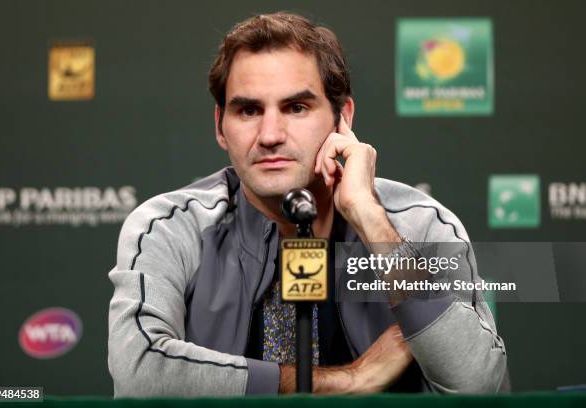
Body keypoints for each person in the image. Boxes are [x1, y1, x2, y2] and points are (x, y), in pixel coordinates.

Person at [108, 12, 508, 397]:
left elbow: (482, 388)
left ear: (342, 118)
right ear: (220, 127)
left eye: (296, 108)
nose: (269, 135)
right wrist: (350, 380)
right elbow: (140, 374)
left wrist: (368, 217)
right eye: (248, 110)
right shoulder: (170, 226)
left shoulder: (418, 225)